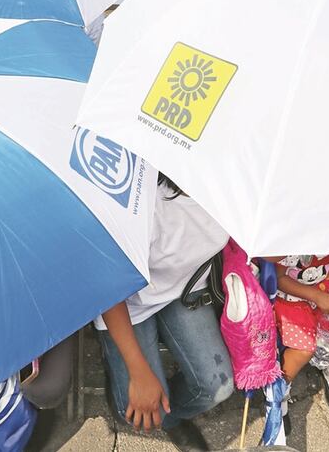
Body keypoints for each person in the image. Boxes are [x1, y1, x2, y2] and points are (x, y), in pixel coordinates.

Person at [99, 176, 232, 452]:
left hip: (185, 290)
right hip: (127, 303)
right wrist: (138, 372)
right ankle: (125, 385)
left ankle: (171, 417)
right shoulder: (144, 204)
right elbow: (107, 290)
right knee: (132, 408)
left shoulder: (235, 190)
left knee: (218, 388)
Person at [269, 254, 329, 421]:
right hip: (291, 297)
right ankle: (279, 392)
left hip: (325, 290)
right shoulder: (294, 244)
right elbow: (279, 277)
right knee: (303, 350)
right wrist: (316, 297)